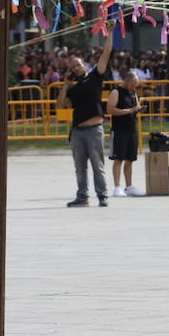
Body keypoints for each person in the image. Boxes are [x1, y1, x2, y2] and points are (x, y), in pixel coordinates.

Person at [61, 22, 115, 207]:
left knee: (97, 166)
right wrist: (66, 84)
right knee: (80, 168)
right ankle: (82, 197)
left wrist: (110, 33)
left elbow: (105, 55)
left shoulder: (95, 77)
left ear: (84, 64)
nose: (76, 68)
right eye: (72, 67)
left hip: (94, 129)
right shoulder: (73, 87)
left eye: (77, 65)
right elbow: (60, 104)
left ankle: (103, 196)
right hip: (78, 131)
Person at [107, 69, 145, 197]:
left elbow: (135, 108)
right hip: (119, 130)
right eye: (133, 84)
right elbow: (110, 109)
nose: (135, 87)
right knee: (118, 159)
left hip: (132, 129)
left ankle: (129, 187)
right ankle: (117, 187)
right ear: (127, 81)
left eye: (136, 84)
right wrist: (129, 110)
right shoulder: (116, 91)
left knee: (130, 159)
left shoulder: (133, 92)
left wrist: (138, 109)